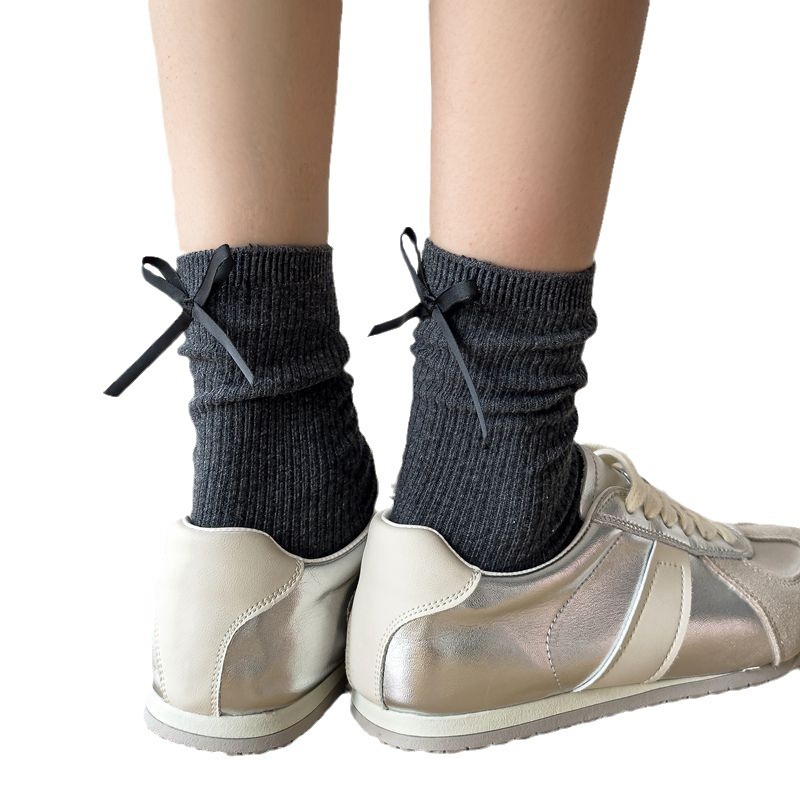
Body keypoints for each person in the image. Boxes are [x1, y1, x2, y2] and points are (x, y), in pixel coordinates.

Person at [108, 1, 799, 754]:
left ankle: (243, 556)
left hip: (218, 601)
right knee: (493, 412)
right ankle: (493, 537)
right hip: (492, 573)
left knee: (262, 388)